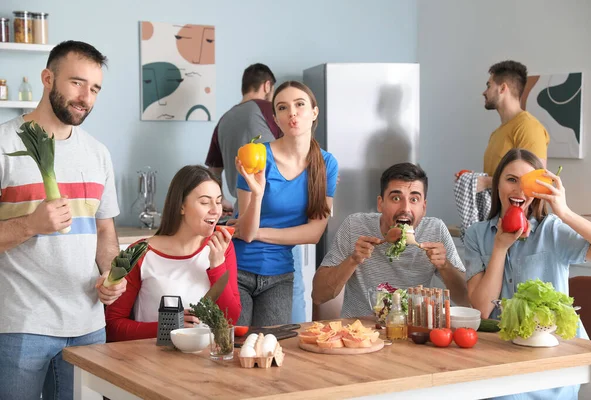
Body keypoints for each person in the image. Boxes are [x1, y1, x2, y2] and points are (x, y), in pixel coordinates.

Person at [0, 40, 126, 399]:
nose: (86, 96)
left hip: (88, 326)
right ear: (47, 78)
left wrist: (112, 275)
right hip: (20, 326)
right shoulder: (3, 144)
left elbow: (105, 230)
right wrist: (30, 225)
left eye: (95, 88)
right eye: (76, 82)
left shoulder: (98, 154)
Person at [464, 148, 591, 400]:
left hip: (553, 362)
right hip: (498, 359)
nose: (518, 190)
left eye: (527, 182)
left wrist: (565, 212)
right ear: (497, 185)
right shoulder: (477, 234)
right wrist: (500, 247)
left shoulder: (553, 231)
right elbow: (482, 308)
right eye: (511, 179)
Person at [234, 81, 338, 327]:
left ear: (314, 112)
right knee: (234, 349)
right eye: (282, 108)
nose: (292, 113)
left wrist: (258, 232)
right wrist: (257, 197)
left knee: (270, 350)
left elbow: (314, 233)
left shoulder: (326, 164)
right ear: (276, 119)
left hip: (280, 274)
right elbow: (246, 234)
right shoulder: (254, 155)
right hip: (237, 269)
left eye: (299, 104)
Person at [312, 163, 470, 318]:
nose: (405, 208)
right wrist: (353, 260)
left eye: (414, 199)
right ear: (380, 204)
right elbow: (319, 295)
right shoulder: (355, 226)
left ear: (424, 207)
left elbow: (466, 300)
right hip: (361, 333)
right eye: (396, 198)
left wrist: (445, 266)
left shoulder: (435, 230)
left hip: (412, 334)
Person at [105, 165, 241, 341]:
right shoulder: (138, 253)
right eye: (205, 202)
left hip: (205, 361)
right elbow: (113, 327)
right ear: (181, 206)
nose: (215, 210)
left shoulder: (222, 248)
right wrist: (167, 327)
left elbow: (231, 320)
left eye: (218, 201)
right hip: (150, 361)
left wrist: (217, 265)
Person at [205, 63, 281, 213]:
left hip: (241, 209)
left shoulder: (224, 120)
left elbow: (214, 170)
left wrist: (221, 200)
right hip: (272, 207)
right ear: (267, 86)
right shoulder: (269, 109)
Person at [480, 60, 550, 188]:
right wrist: (474, 180)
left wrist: (486, 183)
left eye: (489, 86)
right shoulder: (496, 133)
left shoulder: (529, 127)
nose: (484, 92)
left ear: (502, 88)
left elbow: (537, 180)